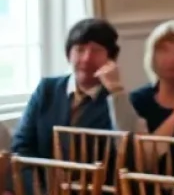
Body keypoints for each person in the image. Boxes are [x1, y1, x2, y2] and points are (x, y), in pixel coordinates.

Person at [13, 17, 142, 160]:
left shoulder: (118, 101)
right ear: (68, 55)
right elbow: (21, 146)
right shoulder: (46, 89)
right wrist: (38, 183)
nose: (87, 58)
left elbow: (129, 153)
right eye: (80, 50)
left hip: (97, 181)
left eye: (96, 51)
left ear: (111, 58)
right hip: (43, 180)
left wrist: (116, 91)